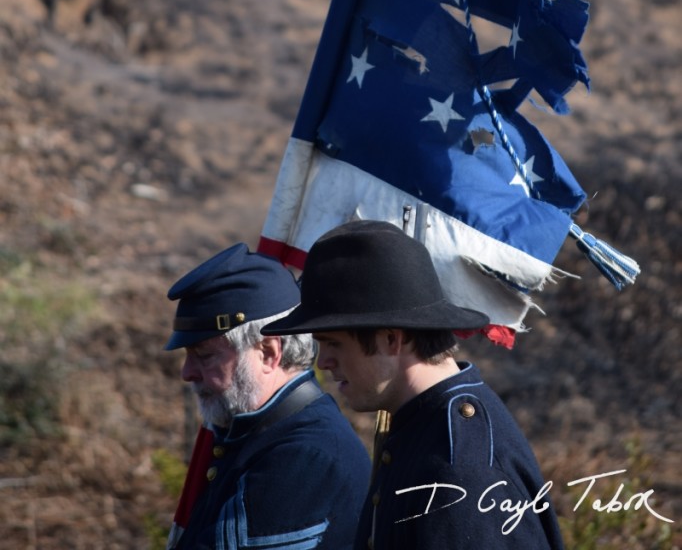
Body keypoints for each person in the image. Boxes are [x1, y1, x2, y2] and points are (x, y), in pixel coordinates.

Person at [262, 219, 565, 550]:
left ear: (391, 339)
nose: (323, 362)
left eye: (334, 343)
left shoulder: (457, 463)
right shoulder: (427, 430)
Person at [163, 242, 371, 550]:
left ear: (267, 353)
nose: (187, 372)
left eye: (204, 356)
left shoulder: (307, 455)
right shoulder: (252, 432)